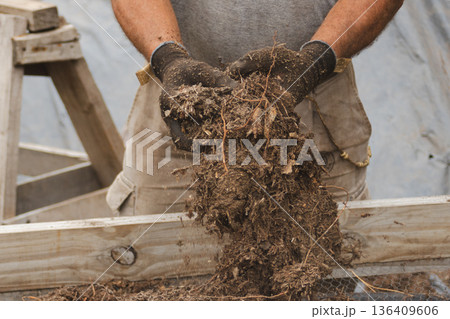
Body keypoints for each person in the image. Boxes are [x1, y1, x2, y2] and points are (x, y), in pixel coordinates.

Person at [107, 0, 404, 216]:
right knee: (152, 266)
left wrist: (317, 60)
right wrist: (167, 57)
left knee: (319, 272)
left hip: (313, 108)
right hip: (182, 104)